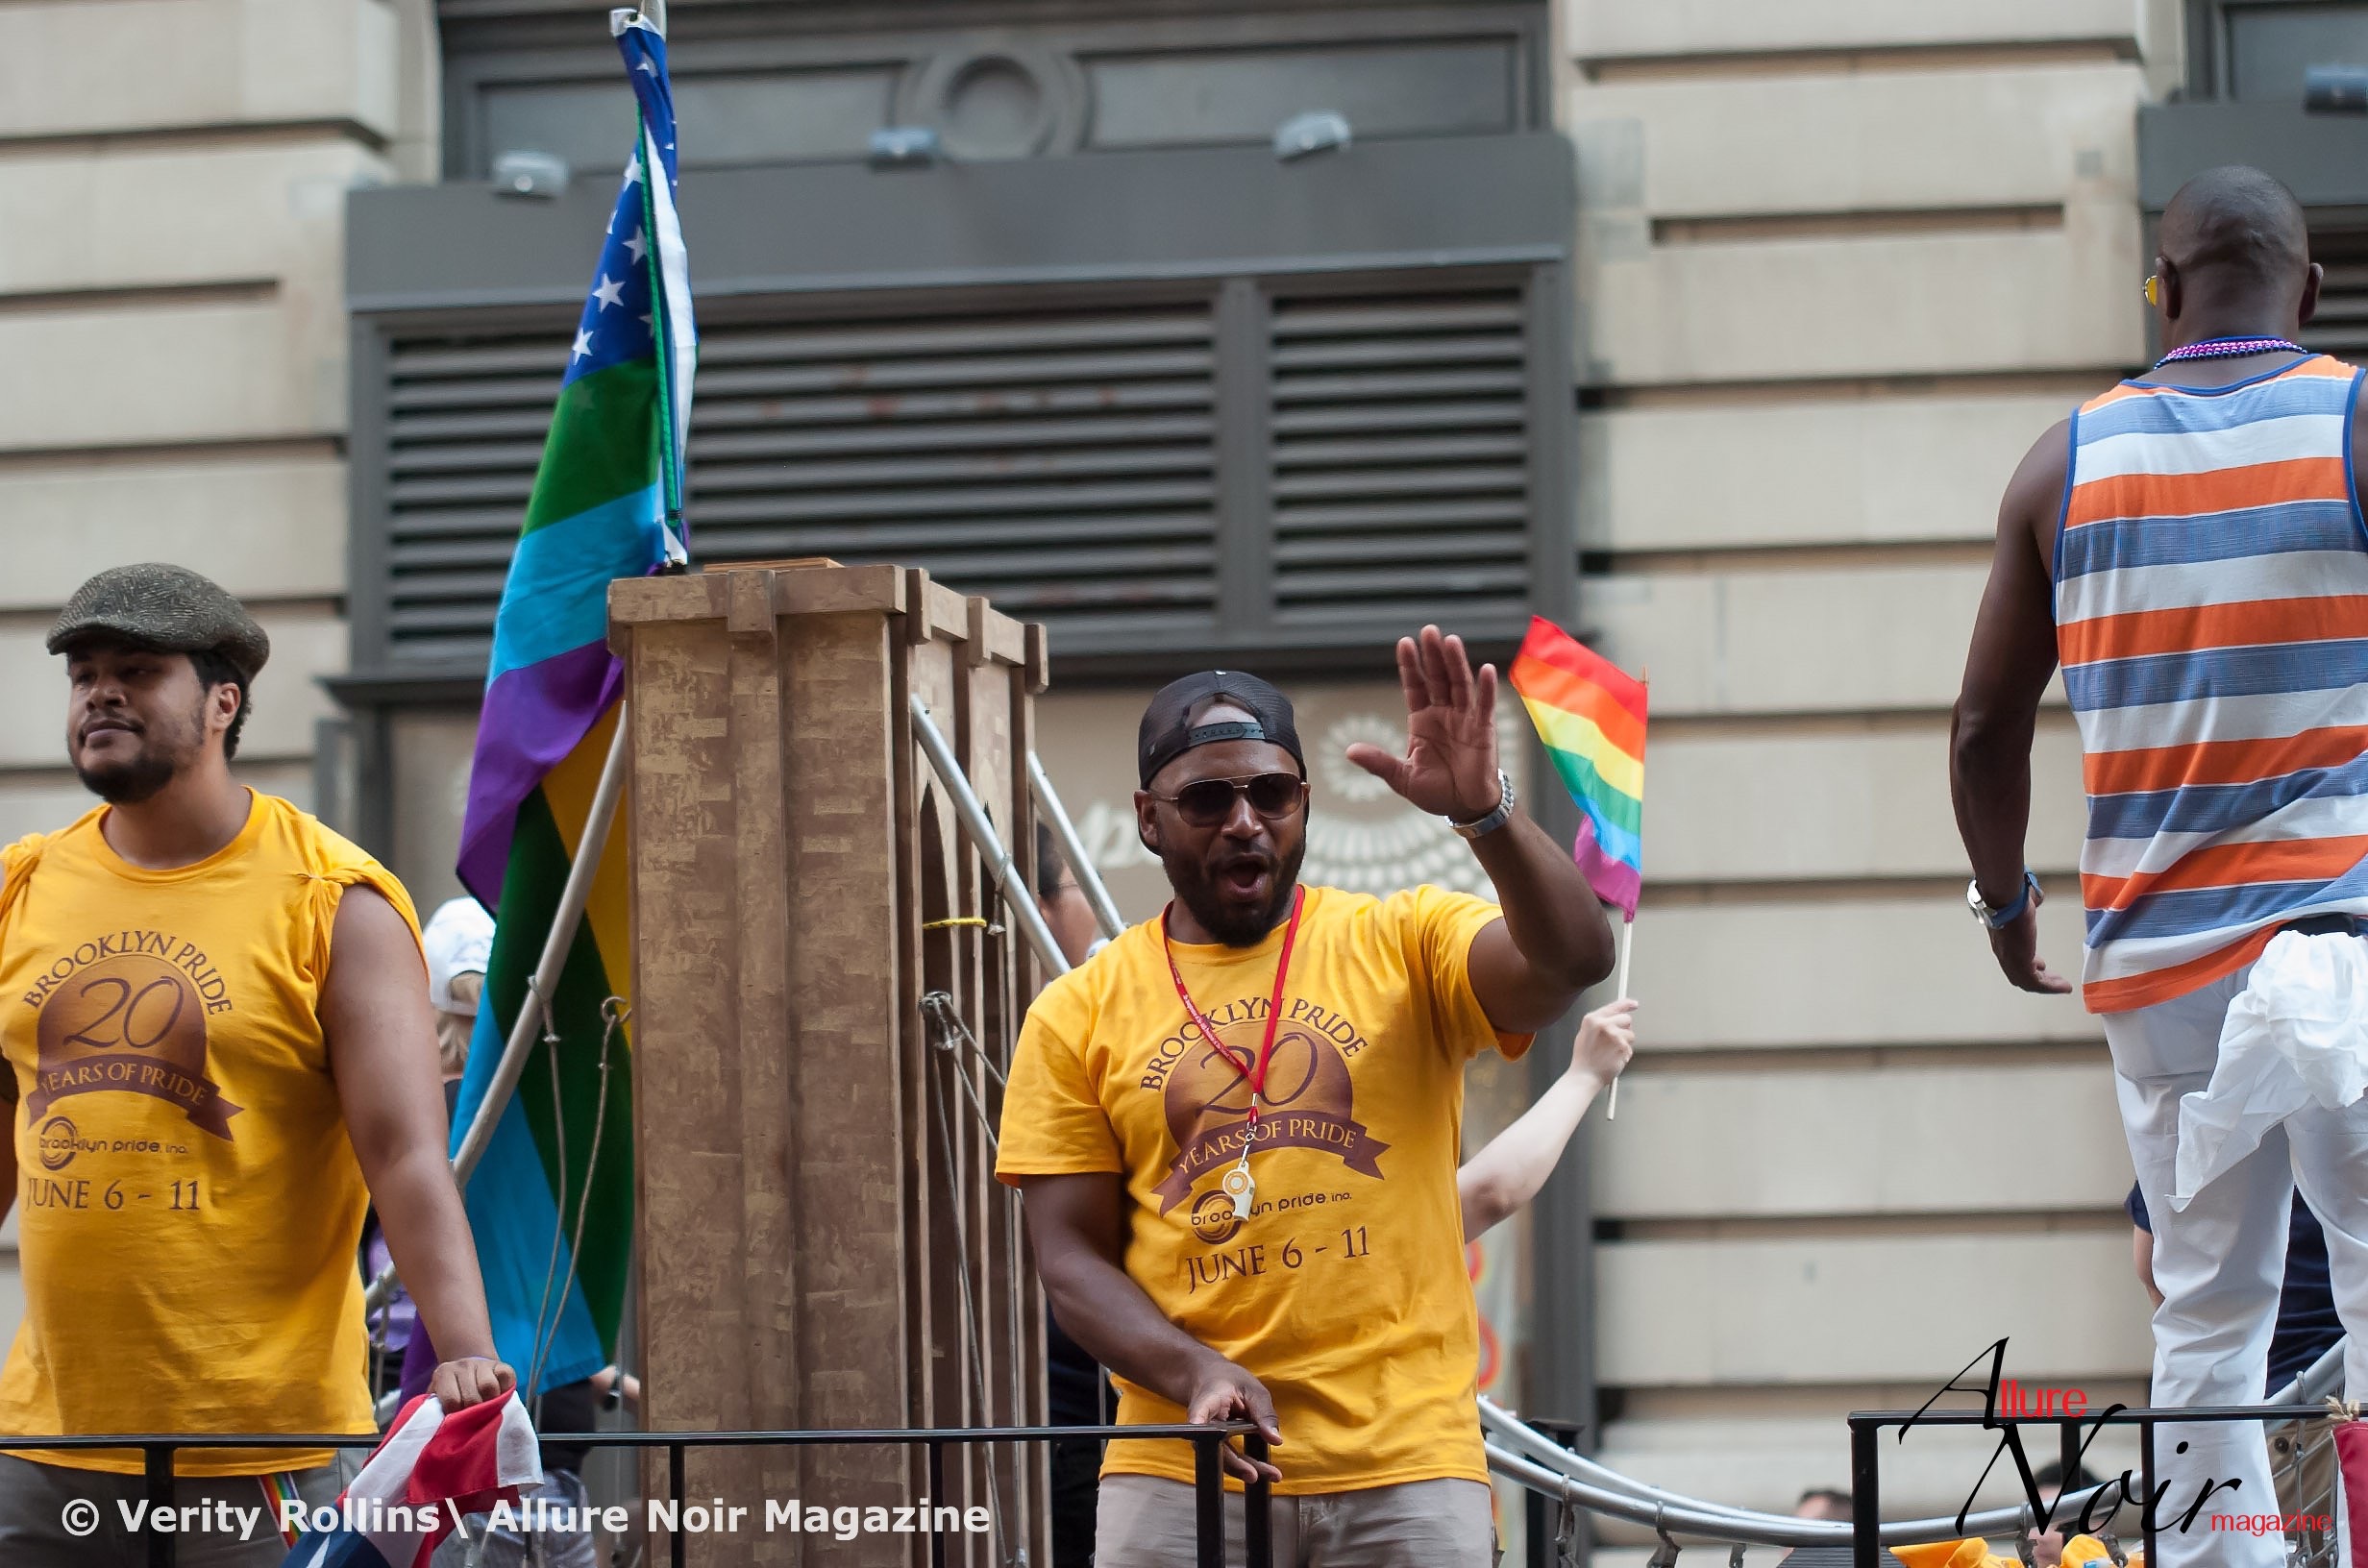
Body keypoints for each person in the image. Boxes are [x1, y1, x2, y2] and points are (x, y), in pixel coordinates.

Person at [1949, 165, 2368, 1568]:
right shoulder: (2358, 420)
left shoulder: (2062, 464)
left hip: (2161, 969)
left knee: (2206, 1318)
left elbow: (1982, 731)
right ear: (2311, 291)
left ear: (2164, 289)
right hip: (2344, 944)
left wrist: (2006, 904)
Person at [999, 628, 1616, 1568]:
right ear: (1149, 819)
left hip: (1407, 1469)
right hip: (1180, 1472)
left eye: (1272, 793)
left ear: (1305, 805)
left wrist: (1485, 814)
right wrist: (1193, 1370)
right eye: (1207, 798)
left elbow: (1573, 960)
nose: (1245, 820)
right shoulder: (1076, 1012)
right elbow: (1070, 1258)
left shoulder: (1406, 938)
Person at [0, 564, 512, 1567]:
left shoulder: (335, 899)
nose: (101, 693)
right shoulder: (21, 887)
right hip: (47, 1441)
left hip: (263, 1449)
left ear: (223, 702)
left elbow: (404, 1152)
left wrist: (465, 1353)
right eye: (85, 674)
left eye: (137, 671)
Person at [2126, 1184, 2340, 1531]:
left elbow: (2149, 1268)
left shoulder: (2186, 1149)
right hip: (2310, 1406)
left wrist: (2205, 1344)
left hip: (2234, 1411)